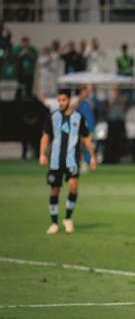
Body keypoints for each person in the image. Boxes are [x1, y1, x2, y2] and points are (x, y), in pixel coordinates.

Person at [39, 89, 97, 234]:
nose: (60, 103)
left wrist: (93, 157)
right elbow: (45, 137)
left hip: (72, 160)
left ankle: (68, 218)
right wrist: (42, 154)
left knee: (73, 186)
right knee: (55, 190)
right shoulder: (52, 117)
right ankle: (53, 222)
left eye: (63, 100)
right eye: (59, 100)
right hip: (55, 161)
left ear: (69, 100)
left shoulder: (79, 118)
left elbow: (86, 138)